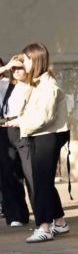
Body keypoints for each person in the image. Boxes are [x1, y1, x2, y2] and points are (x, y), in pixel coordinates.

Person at [4, 43, 71, 243]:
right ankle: (59, 222)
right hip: (39, 134)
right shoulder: (38, 83)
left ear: (35, 60)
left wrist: (19, 122)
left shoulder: (47, 85)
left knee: (40, 183)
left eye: (25, 60)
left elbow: (44, 117)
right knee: (43, 181)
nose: (22, 65)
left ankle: (44, 226)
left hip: (46, 135)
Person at [0, 55, 30, 227]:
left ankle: (43, 215)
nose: (16, 71)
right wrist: (6, 67)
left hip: (24, 127)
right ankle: (16, 215)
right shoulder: (5, 83)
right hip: (5, 127)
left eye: (19, 68)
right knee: (9, 172)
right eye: (13, 68)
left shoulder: (29, 85)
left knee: (30, 172)